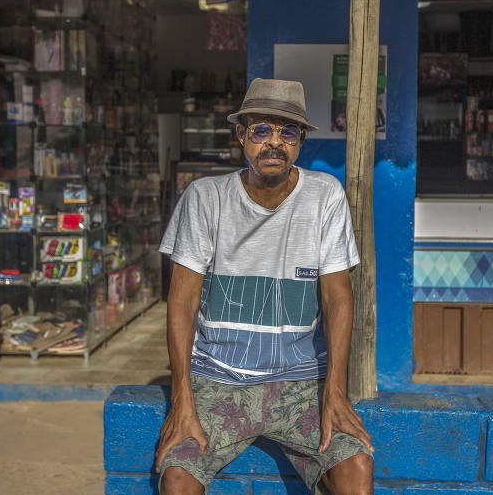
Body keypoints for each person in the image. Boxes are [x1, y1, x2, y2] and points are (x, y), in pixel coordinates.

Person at [155, 78, 375, 495]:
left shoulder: (324, 196)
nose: (274, 143)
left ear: (301, 141)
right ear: (242, 135)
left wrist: (336, 390)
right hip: (217, 379)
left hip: (301, 382)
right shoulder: (206, 197)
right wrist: (182, 396)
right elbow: (181, 300)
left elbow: (338, 296)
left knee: (356, 465)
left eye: (287, 132)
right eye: (261, 131)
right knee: (177, 479)